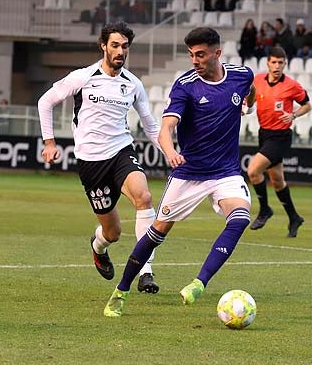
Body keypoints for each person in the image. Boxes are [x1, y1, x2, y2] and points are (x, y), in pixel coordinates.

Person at [103, 27, 255, 317]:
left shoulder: (241, 75)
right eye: (191, 55)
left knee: (240, 218)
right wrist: (170, 151)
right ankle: (121, 290)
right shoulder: (186, 85)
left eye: (200, 54)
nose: (194, 60)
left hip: (226, 172)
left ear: (217, 53)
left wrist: (248, 105)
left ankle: (199, 283)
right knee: (158, 231)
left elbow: (250, 90)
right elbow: (166, 128)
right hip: (189, 174)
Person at [37, 22, 163, 294]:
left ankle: (146, 271)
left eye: (125, 46)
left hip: (121, 152)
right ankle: (98, 247)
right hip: (91, 163)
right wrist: (49, 142)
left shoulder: (133, 84)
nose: (120, 51)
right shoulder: (83, 77)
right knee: (112, 233)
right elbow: (45, 101)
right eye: (115, 45)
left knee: (144, 197)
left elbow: (151, 126)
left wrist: (172, 152)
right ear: (103, 46)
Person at [244, 46, 310, 238]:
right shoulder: (257, 80)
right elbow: (251, 100)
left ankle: (265, 209)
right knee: (278, 181)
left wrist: (294, 115)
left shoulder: (292, 85)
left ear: (285, 64)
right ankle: (294, 217)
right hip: (264, 134)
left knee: (253, 171)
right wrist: (245, 106)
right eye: (273, 62)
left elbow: (307, 105)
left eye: (280, 62)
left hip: (281, 137)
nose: (277, 66)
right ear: (268, 63)